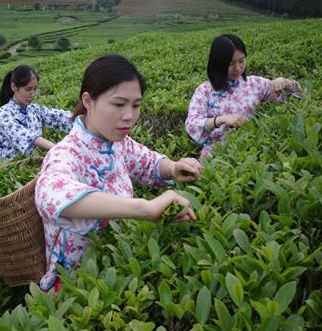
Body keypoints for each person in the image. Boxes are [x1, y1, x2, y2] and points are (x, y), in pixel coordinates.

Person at [35, 55, 203, 292]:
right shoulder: (66, 153)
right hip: (79, 285)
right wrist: (145, 208)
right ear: (88, 101)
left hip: (121, 263)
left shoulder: (117, 142)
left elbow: (147, 162)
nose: (129, 116)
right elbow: (50, 194)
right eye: (118, 104)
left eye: (136, 105)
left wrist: (174, 168)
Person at [186, 34, 302, 157]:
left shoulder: (255, 84)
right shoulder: (204, 91)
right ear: (219, 64)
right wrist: (221, 120)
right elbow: (192, 124)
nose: (237, 68)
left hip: (252, 147)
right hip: (216, 153)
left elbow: (295, 98)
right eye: (231, 63)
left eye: (241, 61)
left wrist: (286, 82)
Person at [0, 65, 73, 161]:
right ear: (14, 87)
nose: (32, 94)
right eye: (28, 89)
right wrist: (58, 149)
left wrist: (84, 119)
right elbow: (25, 136)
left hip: (35, 162)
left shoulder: (34, 109)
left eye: (35, 89)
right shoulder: (3, 114)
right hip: (12, 170)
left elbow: (59, 117)